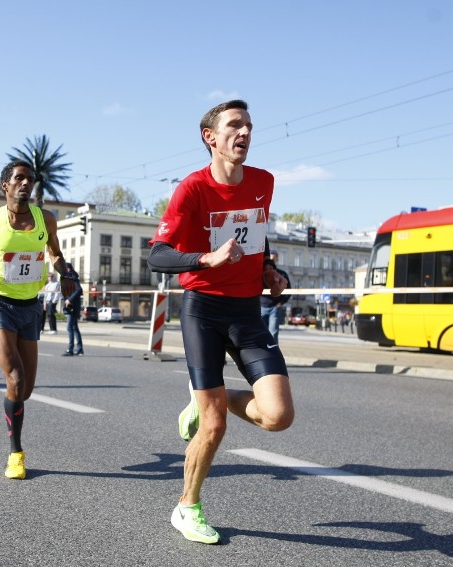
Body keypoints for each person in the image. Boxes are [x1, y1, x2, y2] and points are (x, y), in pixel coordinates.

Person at [147, 100, 294, 544]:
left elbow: (255, 237)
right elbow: (158, 254)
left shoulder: (263, 182)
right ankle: (186, 507)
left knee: (278, 415)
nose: (244, 132)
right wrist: (204, 259)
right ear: (210, 137)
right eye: (234, 125)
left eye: (249, 125)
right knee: (214, 426)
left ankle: (205, 397)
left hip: (247, 310)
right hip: (204, 310)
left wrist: (271, 270)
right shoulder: (192, 189)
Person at [0, 159, 75, 480]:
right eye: (20, 179)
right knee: (16, 379)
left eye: (30, 180)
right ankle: (16, 454)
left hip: (30, 306)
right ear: (5, 186)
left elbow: (55, 253)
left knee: (26, 390)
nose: (26, 184)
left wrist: (67, 272)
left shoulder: (45, 219)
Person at [259, 249, 291, 343]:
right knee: (261, 333)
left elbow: (288, 290)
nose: (268, 270)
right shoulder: (260, 275)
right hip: (261, 307)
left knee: (273, 333)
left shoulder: (281, 274)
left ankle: (273, 355)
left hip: (275, 307)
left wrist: (281, 303)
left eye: (273, 258)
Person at [61, 263, 84, 356]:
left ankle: (70, 349)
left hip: (72, 306)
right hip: (72, 306)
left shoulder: (72, 277)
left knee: (69, 327)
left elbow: (79, 290)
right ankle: (79, 349)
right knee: (74, 328)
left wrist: (69, 300)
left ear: (69, 269)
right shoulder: (70, 277)